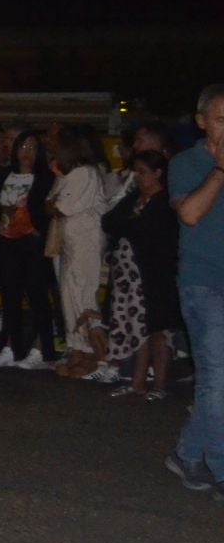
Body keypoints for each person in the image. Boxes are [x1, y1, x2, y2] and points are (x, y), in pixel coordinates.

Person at [168, 84, 224, 499]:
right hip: (203, 282)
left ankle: (187, 451)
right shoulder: (186, 163)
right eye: (222, 119)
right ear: (202, 121)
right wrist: (220, 170)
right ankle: (219, 467)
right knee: (216, 379)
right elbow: (189, 214)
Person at [103, 150, 177, 401]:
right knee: (135, 327)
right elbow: (110, 221)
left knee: (157, 329)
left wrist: (130, 224)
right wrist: (131, 222)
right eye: (136, 171)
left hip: (152, 275)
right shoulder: (134, 198)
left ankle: (160, 383)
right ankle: (137, 381)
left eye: (143, 172)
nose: (138, 177)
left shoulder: (164, 201)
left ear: (158, 173)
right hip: (128, 274)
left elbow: (149, 232)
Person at [0, 130, 57, 370]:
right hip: (7, 240)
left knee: (37, 295)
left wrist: (37, 229)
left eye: (32, 148)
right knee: (10, 295)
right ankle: (11, 346)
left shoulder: (45, 176)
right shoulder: (6, 173)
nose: (26, 153)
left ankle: (43, 350)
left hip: (30, 241)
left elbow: (46, 208)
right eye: (23, 147)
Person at [49, 127, 112, 379]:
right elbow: (49, 203)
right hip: (68, 241)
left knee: (83, 294)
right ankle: (76, 347)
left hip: (85, 241)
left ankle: (94, 354)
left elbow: (60, 207)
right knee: (68, 295)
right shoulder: (68, 174)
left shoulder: (85, 173)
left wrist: (53, 204)